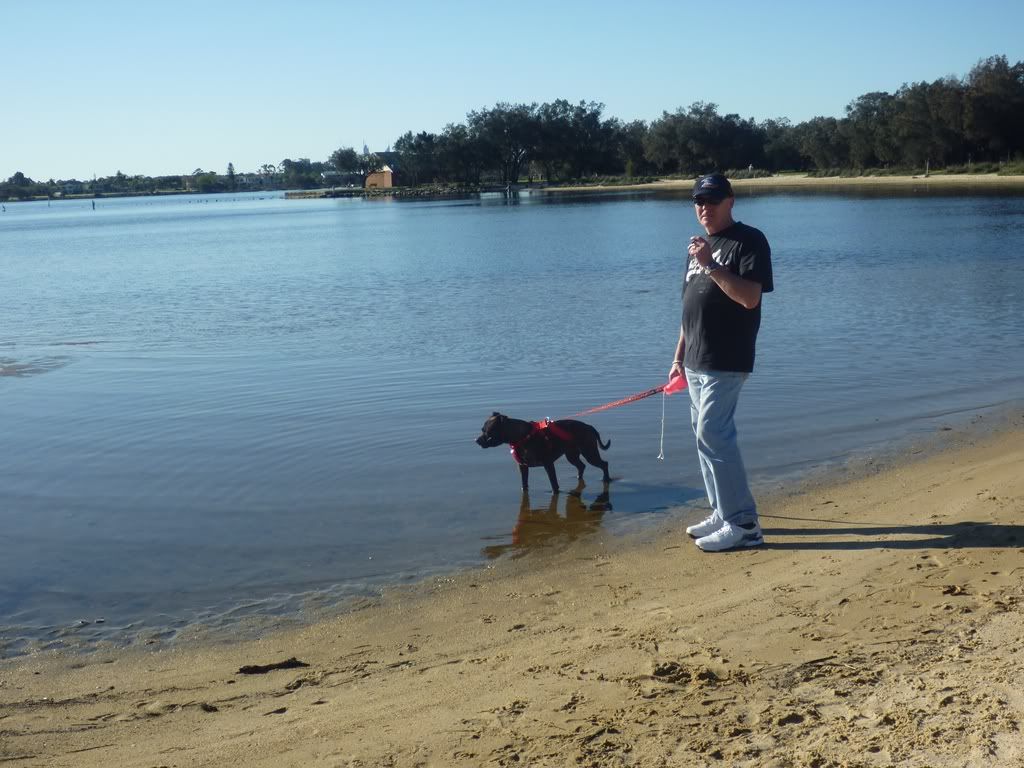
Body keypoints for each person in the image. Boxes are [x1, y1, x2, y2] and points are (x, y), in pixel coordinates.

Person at [670, 173, 774, 552]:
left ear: (730, 201)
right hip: (696, 360)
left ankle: (744, 525)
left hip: (727, 356)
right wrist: (678, 356)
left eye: (712, 201)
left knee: (715, 433)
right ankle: (722, 512)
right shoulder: (698, 247)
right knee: (704, 437)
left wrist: (712, 265)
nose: (704, 208)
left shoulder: (749, 240)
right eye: (698, 201)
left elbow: (749, 298)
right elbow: (688, 306)